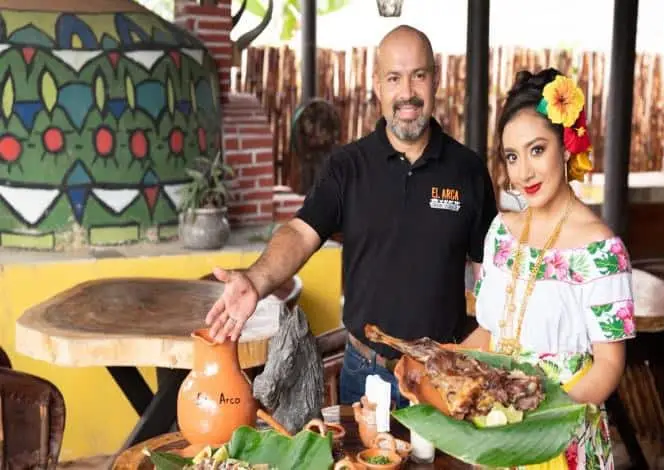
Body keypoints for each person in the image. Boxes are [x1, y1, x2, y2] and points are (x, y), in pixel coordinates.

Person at [204, 25, 498, 409]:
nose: (407, 92)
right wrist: (256, 280)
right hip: (367, 376)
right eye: (394, 78)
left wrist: (486, 351)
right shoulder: (347, 167)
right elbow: (300, 232)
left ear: (436, 79)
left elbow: (490, 273)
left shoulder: (468, 171)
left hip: (442, 378)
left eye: (418, 75)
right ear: (377, 84)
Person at [462, 68, 634, 468]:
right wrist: (437, 362)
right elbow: (491, 333)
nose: (524, 172)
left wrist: (544, 421)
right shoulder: (501, 232)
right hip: (499, 427)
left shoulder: (601, 249)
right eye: (512, 156)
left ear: (566, 146)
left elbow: (609, 364)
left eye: (537, 150)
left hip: (562, 433)